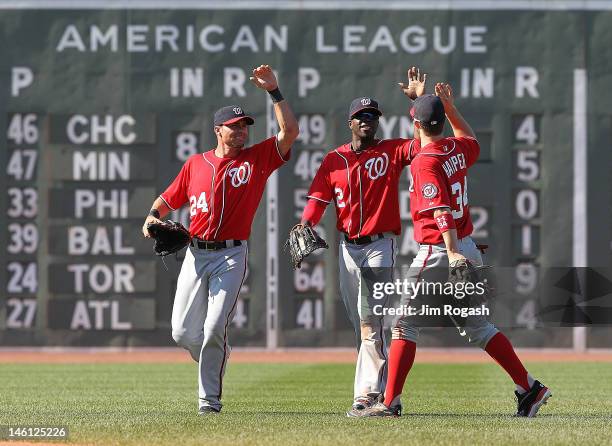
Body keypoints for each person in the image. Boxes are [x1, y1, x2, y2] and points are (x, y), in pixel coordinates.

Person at [355, 83, 551, 418]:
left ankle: (389, 403)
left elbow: (441, 211)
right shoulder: (454, 150)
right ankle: (529, 388)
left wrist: (451, 251)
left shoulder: (425, 161)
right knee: (478, 326)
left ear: (416, 125)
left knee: (402, 323)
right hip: (468, 247)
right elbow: (470, 139)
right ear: (442, 122)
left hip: (441, 250)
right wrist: (447, 106)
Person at [142, 65, 299, 415]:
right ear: (218, 130)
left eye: (245, 126)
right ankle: (218, 355)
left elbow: (289, 131)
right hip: (196, 255)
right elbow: (167, 200)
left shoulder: (257, 160)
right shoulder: (195, 164)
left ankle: (208, 402)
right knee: (182, 333)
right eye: (235, 126)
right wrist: (151, 217)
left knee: (214, 327)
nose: (242, 130)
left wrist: (274, 92)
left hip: (231, 256)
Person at [300, 68, 427, 417]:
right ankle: (385, 391)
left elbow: (422, 143)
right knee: (361, 323)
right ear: (351, 122)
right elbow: (317, 199)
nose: (367, 121)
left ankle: (367, 395)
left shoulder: (391, 151)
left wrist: (417, 102)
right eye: (361, 116)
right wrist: (305, 224)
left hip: (379, 246)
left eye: (373, 116)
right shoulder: (334, 160)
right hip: (347, 248)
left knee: (372, 320)